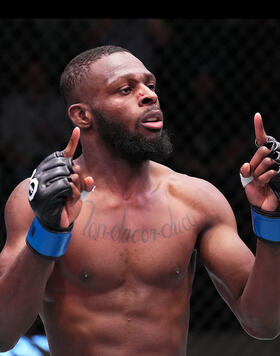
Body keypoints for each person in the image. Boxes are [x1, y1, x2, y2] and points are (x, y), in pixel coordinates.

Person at [1, 45, 280, 356]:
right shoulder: (38, 200)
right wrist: (48, 232)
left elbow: (263, 323)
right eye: (125, 89)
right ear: (82, 115)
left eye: (150, 84)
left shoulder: (196, 199)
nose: (149, 95)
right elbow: (3, 333)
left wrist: (271, 221)